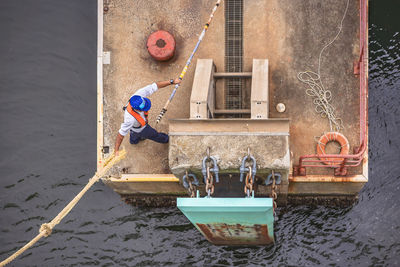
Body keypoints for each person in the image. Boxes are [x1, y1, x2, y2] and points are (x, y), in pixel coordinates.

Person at [113, 78, 181, 156]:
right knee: (154, 135)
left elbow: (155, 85)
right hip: (142, 129)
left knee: (134, 136)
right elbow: (120, 135)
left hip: (134, 128)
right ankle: (166, 139)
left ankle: (134, 141)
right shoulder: (129, 120)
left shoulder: (138, 95)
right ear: (137, 109)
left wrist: (171, 82)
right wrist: (116, 150)